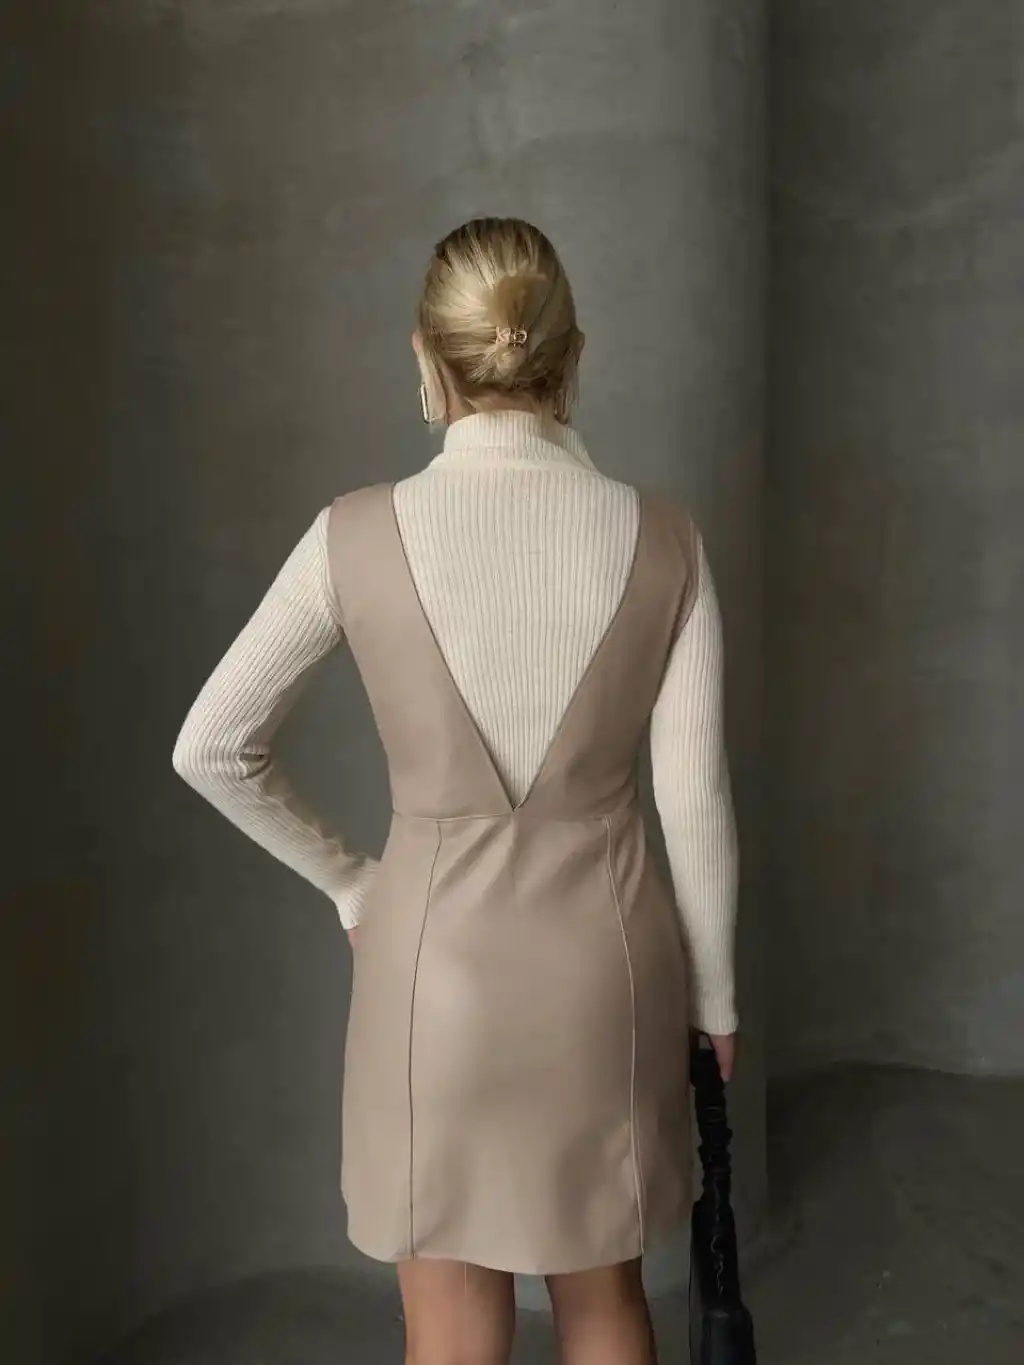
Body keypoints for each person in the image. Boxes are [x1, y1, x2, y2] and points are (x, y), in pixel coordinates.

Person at [173, 217, 739, 1365]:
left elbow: (213, 748)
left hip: (427, 977)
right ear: (572, 357)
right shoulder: (664, 540)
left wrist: (352, 885)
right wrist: (714, 1004)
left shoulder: (351, 536)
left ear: (427, 357)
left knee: (447, 1323)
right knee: (605, 1304)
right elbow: (693, 801)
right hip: (607, 978)